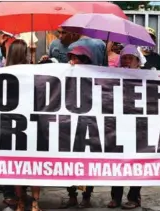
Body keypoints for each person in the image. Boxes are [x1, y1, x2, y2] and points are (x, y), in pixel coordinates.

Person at [4, 39, 42, 211]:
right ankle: (34, 203)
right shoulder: (31, 72)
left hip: (13, 127)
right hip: (32, 126)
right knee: (34, 165)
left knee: (17, 166)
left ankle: (20, 202)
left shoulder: (3, 74)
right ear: (23, 54)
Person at [108, 45, 144, 210]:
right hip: (119, 124)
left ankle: (134, 197)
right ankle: (116, 197)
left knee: (136, 162)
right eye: (124, 58)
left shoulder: (146, 76)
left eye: (131, 58)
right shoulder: (114, 76)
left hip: (138, 125)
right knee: (118, 160)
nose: (127, 61)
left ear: (137, 61)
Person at [59, 45, 94, 209]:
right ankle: (72, 195)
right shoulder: (65, 74)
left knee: (87, 162)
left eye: (77, 58)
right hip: (68, 124)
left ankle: (86, 196)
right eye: (71, 58)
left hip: (87, 125)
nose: (72, 61)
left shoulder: (93, 77)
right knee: (68, 161)